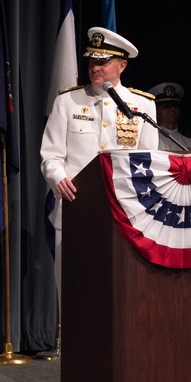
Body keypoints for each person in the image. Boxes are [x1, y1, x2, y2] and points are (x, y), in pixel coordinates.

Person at [40, 28, 158, 299]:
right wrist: (58, 177)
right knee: (73, 288)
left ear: (121, 65)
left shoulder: (142, 105)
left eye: (102, 62)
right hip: (75, 207)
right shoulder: (67, 101)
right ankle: (70, 341)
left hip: (123, 212)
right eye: (92, 61)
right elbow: (51, 155)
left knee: (118, 289)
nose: (95, 68)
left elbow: (149, 160)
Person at [149, 82, 191, 152]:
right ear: (156, 112)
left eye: (175, 105)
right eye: (166, 106)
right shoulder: (149, 142)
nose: (172, 109)